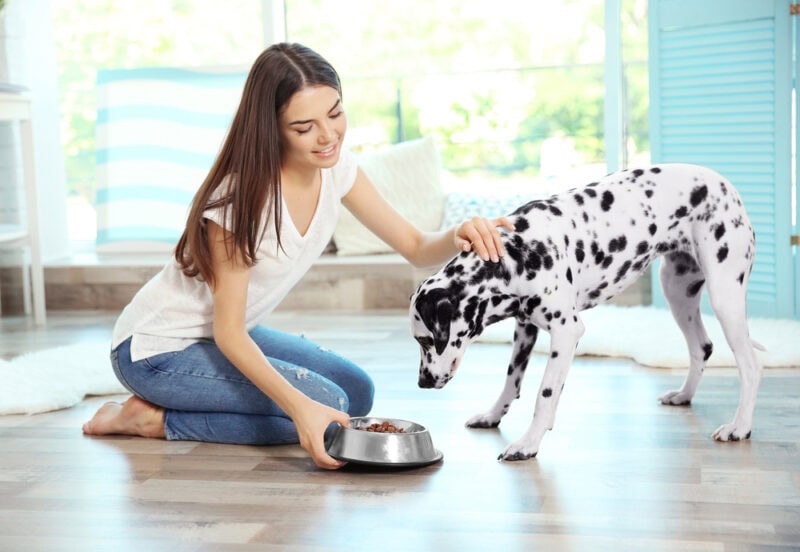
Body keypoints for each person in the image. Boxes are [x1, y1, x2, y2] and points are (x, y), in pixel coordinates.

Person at [82, 42, 513, 469]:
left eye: (335, 113)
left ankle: (195, 411)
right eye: (304, 127)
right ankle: (151, 420)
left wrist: (461, 232)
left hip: (217, 336)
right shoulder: (238, 204)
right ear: (272, 128)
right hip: (156, 351)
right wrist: (299, 409)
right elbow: (230, 333)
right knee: (326, 409)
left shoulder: (338, 170)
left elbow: (417, 248)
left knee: (355, 393)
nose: (328, 136)